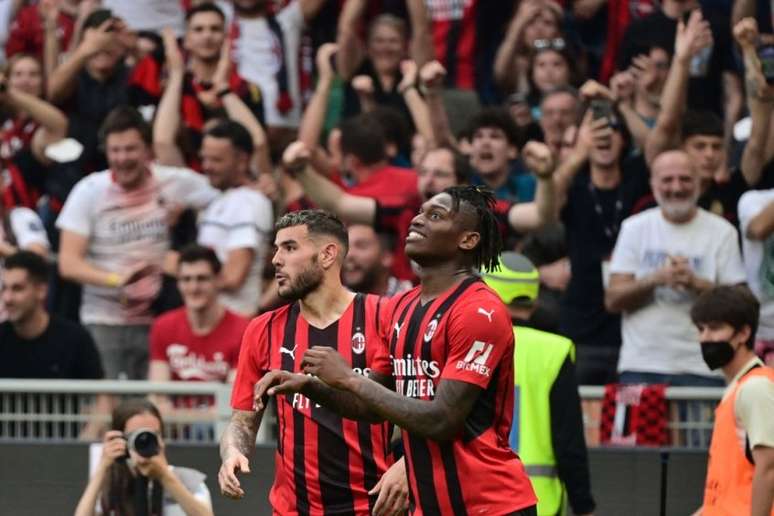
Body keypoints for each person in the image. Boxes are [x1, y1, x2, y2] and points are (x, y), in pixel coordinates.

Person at [254, 187, 538, 515]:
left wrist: (348, 378)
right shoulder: (401, 306)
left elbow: (442, 420)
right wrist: (310, 386)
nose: (417, 220)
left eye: (435, 216)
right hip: (428, 507)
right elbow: (371, 407)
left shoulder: (478, 311)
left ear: (468, 240)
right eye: (420, 212)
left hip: (490, 506)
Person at [218, 209, 408, 515]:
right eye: (276, 248)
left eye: (290, 248)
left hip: (376, 507)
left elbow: (425, 406)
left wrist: (407, 466)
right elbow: (243, 420)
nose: (276, 259)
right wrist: (232, 452)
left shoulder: (385, 317)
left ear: (327, 255)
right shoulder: (262, 329)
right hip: (293, 509)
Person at [56, 106, 217, 379]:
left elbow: (226, 191)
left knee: (156, 406)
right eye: (114, 150)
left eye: (131, 149)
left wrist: (260, 185)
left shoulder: (174, 182)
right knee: (109, 408)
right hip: (104, 320)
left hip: (161, 320)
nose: (122, 158)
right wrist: (114, 280)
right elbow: (68, 263)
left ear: (147, 150)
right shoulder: (88, 191)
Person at [605, 150, 747, 385]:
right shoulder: (634, 228)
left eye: (685, 179)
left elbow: (742, 307)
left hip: (703, 367)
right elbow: (612, 300)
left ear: (700, 182)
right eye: (667, 180)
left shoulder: (723, 231)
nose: (677, 187)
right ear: (652, 184)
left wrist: (695, 283)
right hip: (642, 364)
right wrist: (656, 279)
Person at [482, 252, 596, 516]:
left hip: (476, 498)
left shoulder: (464, 345)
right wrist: (584, 505)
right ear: (533, 302)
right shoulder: (555, 351)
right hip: (537, 500)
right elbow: (569, 441)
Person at [689, 286, 774, 516]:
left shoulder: (754, 388)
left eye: (715, 328)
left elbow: (769, 468)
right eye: (701, 329)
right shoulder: (740, 387)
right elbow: (729, 486)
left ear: (743, 334)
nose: (705, 337)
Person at [74, 398, 213, 516]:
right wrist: (103, 467)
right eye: (136, 436)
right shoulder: (109, 484)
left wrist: (165, 476)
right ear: (120, 438)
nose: (144, 441)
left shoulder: (188, 479)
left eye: (153, 435)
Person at [196, 119, 273, 316]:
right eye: (204, 158)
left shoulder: (250, 203)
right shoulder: (220, 198)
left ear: (242, 161)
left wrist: (181, 271)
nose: (207, 166)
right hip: (212, 322)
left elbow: (233, 277)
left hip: (236, 322)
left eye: (216, 160)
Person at [149, 245, 248, 385]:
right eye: (186, 279)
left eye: (202, 279)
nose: (194, 288)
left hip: (221, 407)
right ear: (178, 283)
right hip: (172, 408)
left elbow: (232, 399)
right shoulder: (163, 326)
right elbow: (158, 395)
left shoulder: (243, 330)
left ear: (219, 280)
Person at [0, 251, 103, 379]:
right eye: (4, 288)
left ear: (41, 290)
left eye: (17, 288)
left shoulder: (75, 339)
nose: (7, 298)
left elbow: (102, 394)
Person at [343, 224, 412, 297]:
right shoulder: (334, 301)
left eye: (361, 246)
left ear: (386, 257)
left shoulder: (411, 299)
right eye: (345, 247)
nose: (348, 255)